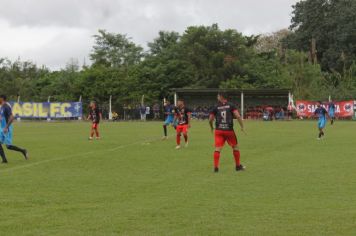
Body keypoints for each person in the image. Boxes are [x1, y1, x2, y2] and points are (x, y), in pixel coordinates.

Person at [209, 93, 245, 173]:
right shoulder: (231, 105)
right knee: (235, 147)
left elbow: (210, 119)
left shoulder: (215, 106)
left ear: (221, 97)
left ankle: (216, 168)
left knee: (217, 149)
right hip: (229, 130)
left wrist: (211, 127)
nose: (217, 97)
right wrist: (242, 126)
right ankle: (238, 166)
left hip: (218, 130)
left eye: (218, 96)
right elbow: (238, 116)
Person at [0, 95, 28, 164]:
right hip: (2, 128)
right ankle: (4, 159)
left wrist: (6, 127)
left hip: (7, 128)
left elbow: (12, 117)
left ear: (2, 99)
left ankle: (23, 150)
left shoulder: (6, 106)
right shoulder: (2, 107)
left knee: (8, 146)